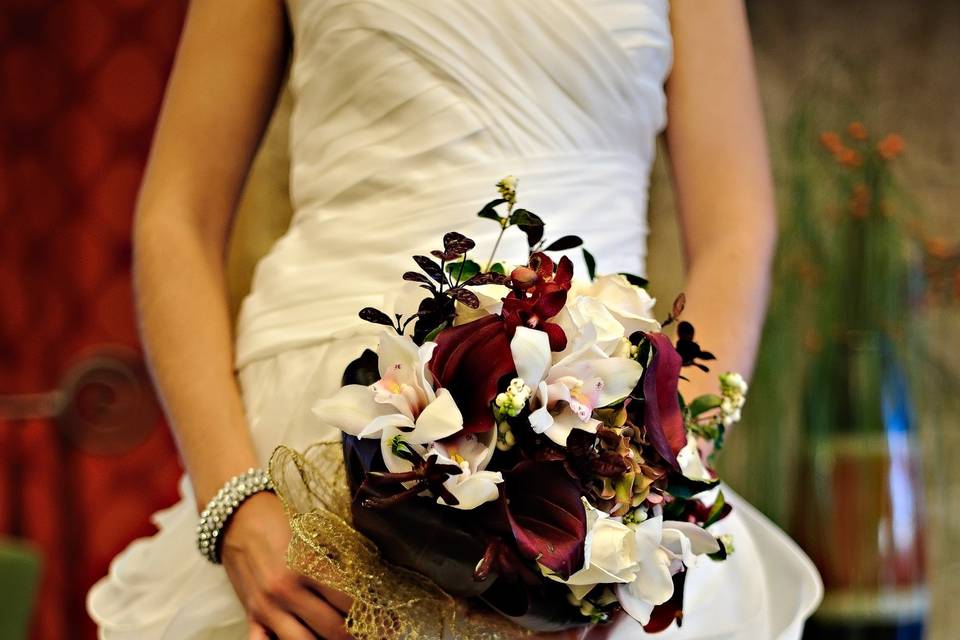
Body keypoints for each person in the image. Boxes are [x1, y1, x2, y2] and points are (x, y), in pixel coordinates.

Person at [87, 0, 822, 638]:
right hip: (307, 446)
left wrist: (651, 487)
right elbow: (175, 216)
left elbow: (736, 229)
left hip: (590, 437)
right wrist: (236, 508)